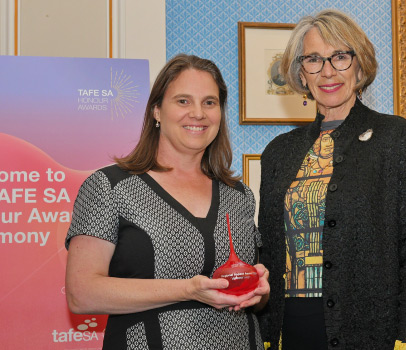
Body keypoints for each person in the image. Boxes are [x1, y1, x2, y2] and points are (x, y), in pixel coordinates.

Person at [257, 9, 406, 350]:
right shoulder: (278, 152)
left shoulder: (393, 137)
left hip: (371, 331)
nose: (327, 71)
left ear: (359, 64)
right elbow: (268, 252)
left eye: (339, 56)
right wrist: (266, 334)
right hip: (292, 327)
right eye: (313, 59)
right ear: (301, 72)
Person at [65, 54, 269, 349]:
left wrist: (259, 290)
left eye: (209, 102)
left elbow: (257, 302)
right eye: (183, 101)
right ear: (157, 110)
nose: (198, 113)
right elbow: (81, 294)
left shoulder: (239, 196)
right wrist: (189, 289)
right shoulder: (109, 187)